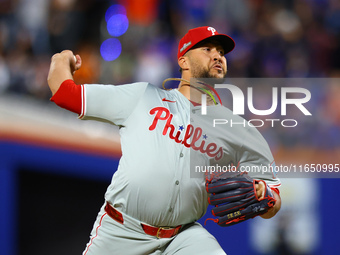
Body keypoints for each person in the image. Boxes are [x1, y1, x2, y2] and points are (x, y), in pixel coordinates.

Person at [47, 26, 281, 255]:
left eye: (220, 52)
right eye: (207, 49)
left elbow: (273, 197)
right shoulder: (142, 97)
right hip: (121, 231)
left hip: (183, 238)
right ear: (183, 61)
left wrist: (264, 194)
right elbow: (64, 94)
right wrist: (61, 59)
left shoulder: (238, 129)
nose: (217, 55)